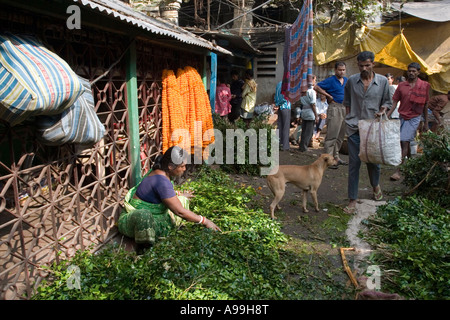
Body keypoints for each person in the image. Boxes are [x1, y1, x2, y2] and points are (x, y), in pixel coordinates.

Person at [118, 146, 221, 248]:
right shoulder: (161, 181)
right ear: (171, 166)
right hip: (134, 221)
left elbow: (160, 193)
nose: (184, 169)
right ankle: (144, 248)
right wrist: (205, 221)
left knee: (183, 200)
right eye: (182, 166)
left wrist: (178, 195)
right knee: (144, 216)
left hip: (154, 213)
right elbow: (179, 211)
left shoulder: (159, 171)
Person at [343, 51, 392, 214]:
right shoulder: (351, 81)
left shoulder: (383, 82)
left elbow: (387, 101)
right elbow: (347, 102)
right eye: (361, 65)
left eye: (367, 65)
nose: (364, 68)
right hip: (354, 128)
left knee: (373, 163)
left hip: (373, 129)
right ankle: (352, 199)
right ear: (358, 65)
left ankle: (375, 185)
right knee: (354, 165)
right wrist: (349, 118)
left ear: (373, 64)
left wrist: (383, 109)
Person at [386, 62, 431, 181]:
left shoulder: (424, 86)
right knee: (403, 143)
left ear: (418, 72)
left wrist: (425, 123)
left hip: (415, 117)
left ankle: (398, 171)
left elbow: (425, 105)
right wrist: (387, 116)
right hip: (402, 116)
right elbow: (394, 102)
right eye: (409, 71)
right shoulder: (401, 86)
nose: (411, 73)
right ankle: (411, 163)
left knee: (404, 141)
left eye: (414, 71)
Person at [314, 62, 348, 167]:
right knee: (332, 135)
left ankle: (336, 157)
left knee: (340, 136)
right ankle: (327, 160)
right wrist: (328, 95)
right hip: (334, 108)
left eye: (343, 70)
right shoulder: (331, 80)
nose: (342, 72)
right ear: (335, 70)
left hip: (345, 108)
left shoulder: (346, 81)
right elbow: (316, 87)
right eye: (339, 70)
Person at [298, 75, 318, 152]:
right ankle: (304, 147)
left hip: (304, 111)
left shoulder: (303, 91)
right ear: (311, 81)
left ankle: (301, 146)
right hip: (310, 112)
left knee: (304, 130)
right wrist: (316, 115)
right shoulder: (312, 91)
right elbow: (313, 104)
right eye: (314, 80)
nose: (315, 82)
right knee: (309, 131)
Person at [274, 80, 291, 151]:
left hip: (280, 107)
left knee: (280, 126)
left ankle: (278, 144)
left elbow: (276, 96)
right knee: (285, 127)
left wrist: (277, 104)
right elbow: (285, 98)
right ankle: (285, 146)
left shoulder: (279, 84)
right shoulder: (287, 85)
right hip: (286, 107)